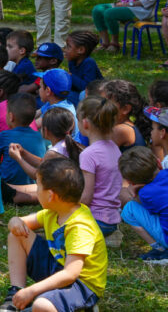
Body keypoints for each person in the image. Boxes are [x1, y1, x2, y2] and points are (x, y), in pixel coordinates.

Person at [0, 158, 106, 312]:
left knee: (41, 305)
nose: (36, 190)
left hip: (81, 285)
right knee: (17, 234)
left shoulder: (80, 226)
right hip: (59, 268)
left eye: (38, 186)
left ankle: (78, 306)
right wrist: (14, 221)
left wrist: (32, 290)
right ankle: (15, 293)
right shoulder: (53, 213)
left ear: (50, 195)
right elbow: (20, 222)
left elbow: (70, 274)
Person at [7, 106, 82, 205]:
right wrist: (23, 152)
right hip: (69, 188)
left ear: (46, 131)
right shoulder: (69, 144)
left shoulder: (53, 153)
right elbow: (42, 162)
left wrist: (19, 158)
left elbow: (37, 175)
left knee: (16, 192)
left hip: (61, 194)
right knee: (12, 187)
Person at [75, 96, 122, 242]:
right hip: (112, 220)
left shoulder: (89, 154)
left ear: (85, 123)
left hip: (95, 220)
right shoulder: (115, 148)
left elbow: (86, 198)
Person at [0, 94, 47, 203]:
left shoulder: (3, 136)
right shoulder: (39, 136)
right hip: (34, 186)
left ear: (11, 116)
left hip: (9, 186)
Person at [61, 31, 101, 106]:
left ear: (81, 50)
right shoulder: (72, 61)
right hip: (79, 93)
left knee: (67, 96)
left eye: (68, 47)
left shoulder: (89, 62)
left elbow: (87, 87)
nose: (65, 50)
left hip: (94, 97)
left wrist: (70, 76)